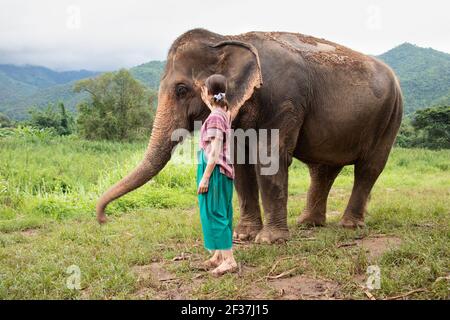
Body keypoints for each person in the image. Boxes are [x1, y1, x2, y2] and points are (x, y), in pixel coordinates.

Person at [197, 74, 237, 277]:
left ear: (209, 92)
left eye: (205, 89)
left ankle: (229, 260)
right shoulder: (224, 113)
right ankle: (219, 256)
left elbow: (214, 152)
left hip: (215, 170)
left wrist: (205, 177)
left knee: (215, 213)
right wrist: (209, 100)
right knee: (223, 211)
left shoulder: (214, 117)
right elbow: (217, 109)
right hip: (225, 170)